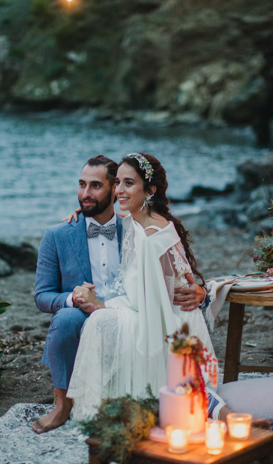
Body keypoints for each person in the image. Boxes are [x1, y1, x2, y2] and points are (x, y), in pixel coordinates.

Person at [31, 155, 206, 434]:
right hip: (83, 312)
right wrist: (73, 299)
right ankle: (62, 403)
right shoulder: (58, 234)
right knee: (64, 319)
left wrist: (199, 290)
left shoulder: (133, 225)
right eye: (81, 185)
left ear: (113, 190)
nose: (85, 194)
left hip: (133, 309)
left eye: (95, 186)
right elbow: (41, 295)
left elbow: (170, 266)